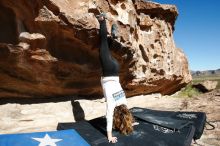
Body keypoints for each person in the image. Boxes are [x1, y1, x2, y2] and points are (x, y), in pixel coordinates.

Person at [96, 13, 135, 143]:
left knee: (106, 49)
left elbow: (126, 115)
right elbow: (108, 117)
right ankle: (102, 20)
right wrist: (109, 136)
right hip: (107, 72)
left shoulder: (124, 102)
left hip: (115, 70)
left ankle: (112, 38)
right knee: (102, 46)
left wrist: (130, 123)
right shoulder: (113, 105)